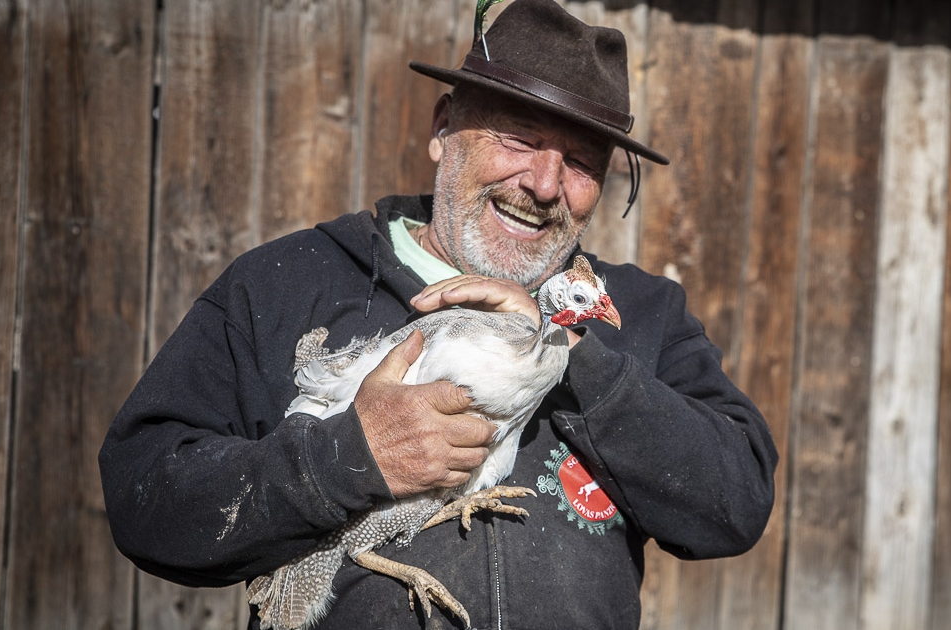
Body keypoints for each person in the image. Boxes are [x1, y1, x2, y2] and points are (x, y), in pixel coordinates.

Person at [99, 0, 778, 628]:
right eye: (518, 138)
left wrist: (570, 355)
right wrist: (347, 459)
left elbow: (735, 504)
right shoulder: (292, 283)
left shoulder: (636, 315)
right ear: (443, 128)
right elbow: (144, 499)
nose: (542, 185)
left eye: (577, 161)